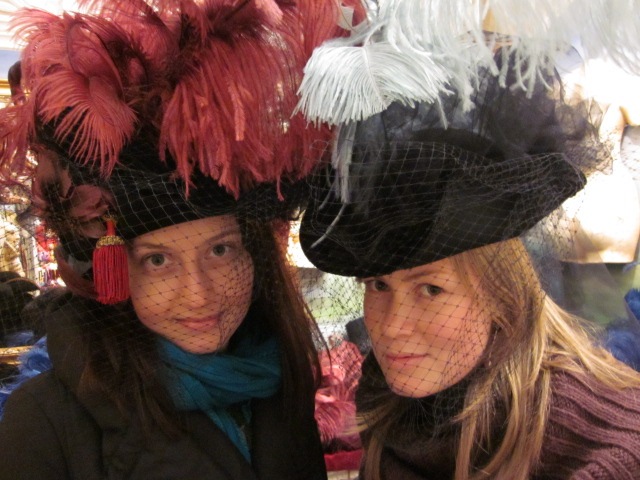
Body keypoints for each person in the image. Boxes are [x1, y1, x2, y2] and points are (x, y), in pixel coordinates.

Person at [0, 1, 355, 478]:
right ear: (112, 269)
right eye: (158, 261)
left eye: (220, 249)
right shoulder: (43, 424)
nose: (199, 294)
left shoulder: (278, 379)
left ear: (255, 253)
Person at [296, 34, 640, 480]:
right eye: (378, 284)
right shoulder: (397, 400)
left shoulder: (603, 455)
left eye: (430, 288)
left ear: (502, 295)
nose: (390, 327)